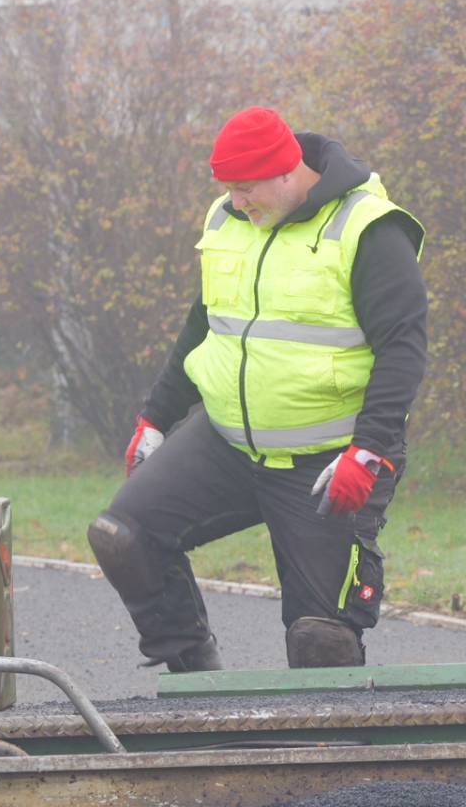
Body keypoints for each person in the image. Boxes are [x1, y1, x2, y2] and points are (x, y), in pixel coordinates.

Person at [88, 106, 427, 672]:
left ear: (288, 171)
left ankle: (326, 756)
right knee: (124, 537)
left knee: (321, 641)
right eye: (228, 189)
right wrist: (155, 415)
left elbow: (404, 349)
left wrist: (367, 450)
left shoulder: (369, 228)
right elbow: (204, 324)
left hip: (327, 461)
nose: (236, 202)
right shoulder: (229, 220)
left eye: (246, 190)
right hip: (227, 445)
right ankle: (195, 681)